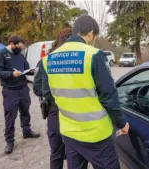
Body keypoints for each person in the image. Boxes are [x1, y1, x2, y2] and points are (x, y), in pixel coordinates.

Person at [40, 15, 130, 169]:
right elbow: (109, 96)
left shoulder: (49, 59)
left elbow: (47, 94)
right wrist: (121, 123)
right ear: (90, 34)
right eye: (94, 37)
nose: (93, 40)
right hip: (96, 134)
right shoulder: (93, 55)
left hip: (69, 133)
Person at [0, 35, 40, 154]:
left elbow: (26, 68)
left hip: (23, 89)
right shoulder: (1, 54)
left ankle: (27, 132)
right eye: (18, 47)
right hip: (10, 90)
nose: (20, 49)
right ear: (12, 44)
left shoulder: (21, 55)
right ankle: (9, 141)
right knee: (10, 116)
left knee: (25, 112)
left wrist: (32, 71)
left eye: (22, 47)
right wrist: (11, 74)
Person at [33, 27, 72, 169]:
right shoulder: (79, 61)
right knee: (76, 154)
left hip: (55, 113)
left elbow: (37, 88)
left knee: (56, 154)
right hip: (77, 115)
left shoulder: (45, 61)